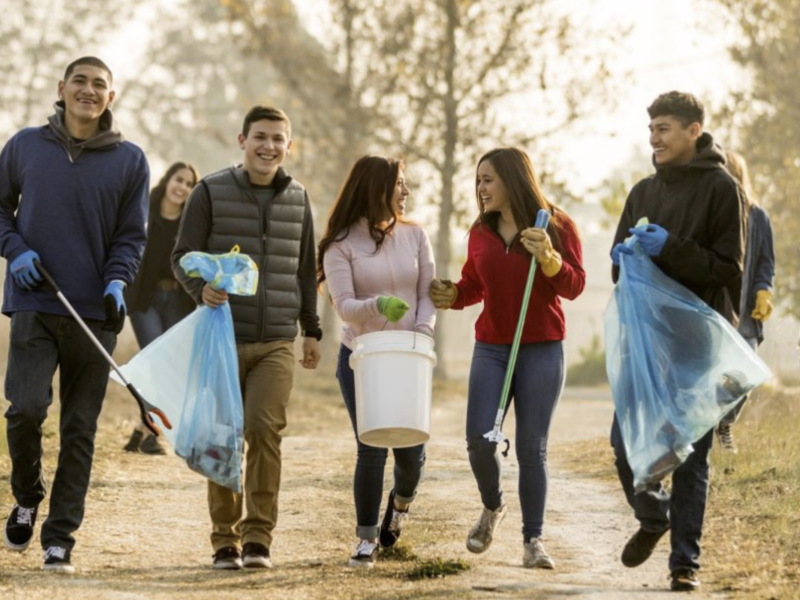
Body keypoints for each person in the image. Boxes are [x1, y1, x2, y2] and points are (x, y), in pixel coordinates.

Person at [0, 56, 149, 573]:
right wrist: (14, 248)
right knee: (23, 410)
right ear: (61, 88)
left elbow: (133, 235)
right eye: (80, 82)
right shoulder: (23, 146)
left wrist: (117, 279)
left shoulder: (130, 160)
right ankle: (26, 493)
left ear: (112, 98)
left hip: (95, 314)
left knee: (79, 428)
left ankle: (59, 536)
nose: (89, 90)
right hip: (35, 304)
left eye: (100, 85)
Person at [172, 105, 322, 570]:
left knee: (263, 430)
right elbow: (181, 257)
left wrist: (310, 330)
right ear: (242, 140)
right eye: (260, 136)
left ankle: (258, 538)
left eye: (278, 138)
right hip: (220, 337)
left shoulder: (298, 198)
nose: (269, 146)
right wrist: (202, 289)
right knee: (222, 437)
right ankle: (224, 540)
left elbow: (304, 270)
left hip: (276, 340)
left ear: (288, 146)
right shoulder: (210, 192)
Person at [608, 91, 747, 592]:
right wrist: (622, 257)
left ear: (693, 131)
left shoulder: (722, 189)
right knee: (624, 444)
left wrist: (672, 247)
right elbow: (616, 266)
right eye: (651, 129)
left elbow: (729, 269)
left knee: (691, 455)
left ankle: (684, 563)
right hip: (647, 342)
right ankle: (652, 516)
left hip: (699, 344)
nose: (654, 138)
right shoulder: (642, 192)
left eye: (664, 128)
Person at [429, 147, 585, 569]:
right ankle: (493, 506)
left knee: (533, 449)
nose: (480, 189)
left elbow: (574, 286)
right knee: (480, 442)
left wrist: (551, 261)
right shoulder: (480, 232)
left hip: (543, 348)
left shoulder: (556, 225)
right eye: (478, 180)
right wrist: (452, 296)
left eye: (488, 179)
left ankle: (533, 540)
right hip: (493, 347)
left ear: (514, 179)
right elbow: (473, 286)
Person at [317, 155, 436, 568]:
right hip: (363, 358)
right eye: (399, 183)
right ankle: (366, 539)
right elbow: (345, 307)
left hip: (410, 355)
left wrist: (422, 334)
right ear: (375, 188)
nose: (406, 192)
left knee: (411, 453)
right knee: (371, 447)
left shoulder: (416, 235)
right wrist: (377, 305)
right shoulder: (340, 245)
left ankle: (400, 507)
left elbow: (426, 293)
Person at [122, 161, 200, 455]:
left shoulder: (191, 221)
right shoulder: (144, 212)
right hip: (145, 301)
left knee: (169, 367)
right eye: (178, 180)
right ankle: (152, 434)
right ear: (168, 181)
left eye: (189, 183)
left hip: (178, 302)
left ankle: (143, 430)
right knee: (157, 364)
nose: (182, 187)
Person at [715, 150, 775, 452]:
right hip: (715, 311)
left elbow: (765, 262)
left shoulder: (758, 216)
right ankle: (701, 432)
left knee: (745, 375)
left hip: (745, 316)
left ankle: (723, 422)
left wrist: (764, 288)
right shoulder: (711, 213)